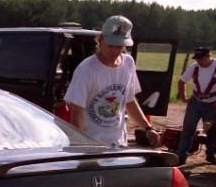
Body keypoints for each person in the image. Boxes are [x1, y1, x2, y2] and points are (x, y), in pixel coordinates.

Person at [64, 15, 159, 148]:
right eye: (111, 45)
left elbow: (130, 101)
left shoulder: (128, 63)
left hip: (119, 143)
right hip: (92, 146)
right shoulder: (86, 70)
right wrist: (81, 146)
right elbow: (76, 114)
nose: (115, 51)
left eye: (119, 46)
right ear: (100, 40)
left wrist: (148, 129)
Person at [176, 47, 216, 165]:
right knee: (188, 130)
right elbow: (181, 82)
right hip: (195, 102)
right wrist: (184, 97)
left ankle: (210, 156)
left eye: (201, 59)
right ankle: (181, 156)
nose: (199, 62)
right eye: (197, 59)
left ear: (208, 57)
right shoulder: (194, 66)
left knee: (212, 132)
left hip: (212, 104)